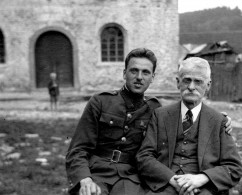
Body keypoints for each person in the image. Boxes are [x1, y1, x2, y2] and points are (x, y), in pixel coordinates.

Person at [65, 49, 233, 195]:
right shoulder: (100, 102)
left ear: (152, 77)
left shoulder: (154, 108)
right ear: (124, 73)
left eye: (145, 72)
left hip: (129, 177)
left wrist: (221, 119)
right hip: (96, 172)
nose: (139, 77)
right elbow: (78, 149)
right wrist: (84, 178)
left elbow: (183, 113)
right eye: (134, 71)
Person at [136, 57, 242, 195]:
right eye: (187, 80)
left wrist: (201, 178)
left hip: (203, 188)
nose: (191, 87)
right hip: (166, 184)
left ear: (208, 85)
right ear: (178, 82)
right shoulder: (160, 116)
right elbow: (144, 157)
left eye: (198, 81)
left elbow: (234, 167)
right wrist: (172, 179)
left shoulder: (218, 121)